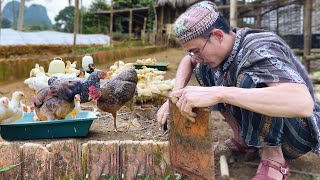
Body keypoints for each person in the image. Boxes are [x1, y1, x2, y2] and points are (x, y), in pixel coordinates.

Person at [156, 1, 320, 179]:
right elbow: (188, 61)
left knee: (249, 79)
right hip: (274, 122)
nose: (195, 57)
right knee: (204, 69)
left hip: (297, 132)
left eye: (196, 50)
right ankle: (242, 139)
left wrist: (219, 92)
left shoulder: (259, 48)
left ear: (217, 35)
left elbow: (302, 103)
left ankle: (274, 159)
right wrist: (175, 93)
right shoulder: (222, 47)